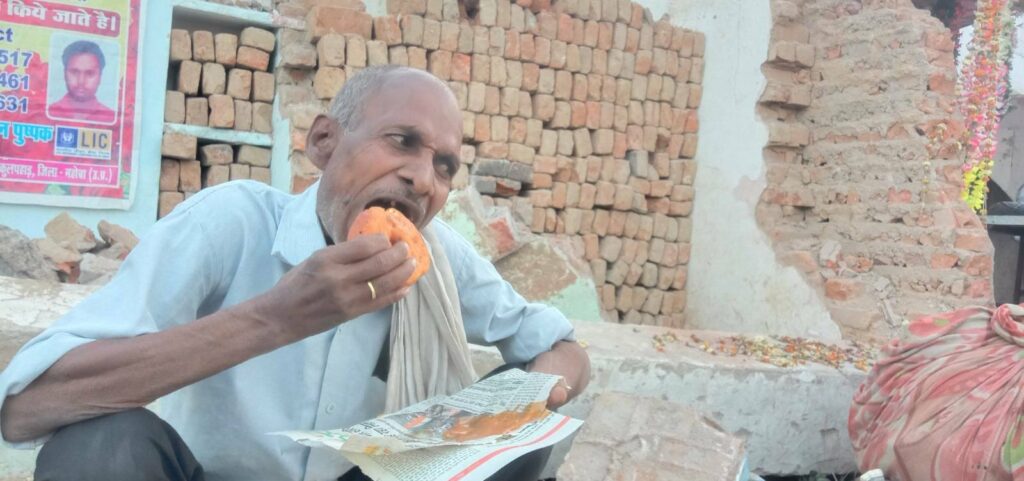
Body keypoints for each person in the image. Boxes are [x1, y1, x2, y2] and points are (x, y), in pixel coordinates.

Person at [0, 65, 590, 481]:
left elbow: (564, 349)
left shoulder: (437, 259)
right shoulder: (231, 222)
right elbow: (30, 405)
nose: (422, 178)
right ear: (325, 142)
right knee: (99, 446)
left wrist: (508, 411)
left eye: (444, 165)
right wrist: (278, 317)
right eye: (401, 142)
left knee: (520, 427)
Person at [47, 40, 116, 124]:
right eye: (74, 72)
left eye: (90, 73)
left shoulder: (111, 118)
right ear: (64, 74)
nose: (81, 81)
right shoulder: (47, 113)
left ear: (100, 77)